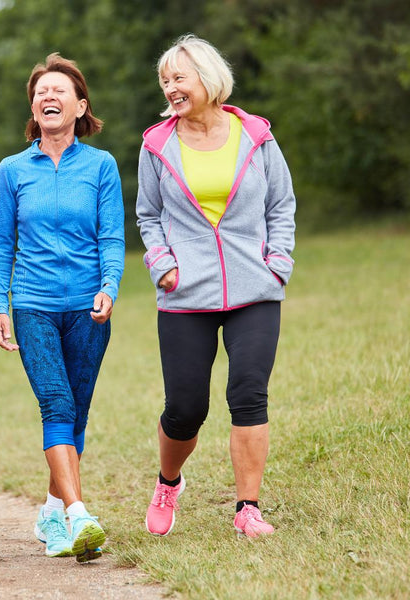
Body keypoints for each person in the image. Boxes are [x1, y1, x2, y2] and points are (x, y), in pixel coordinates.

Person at [136, 34, 296, 539]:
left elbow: (281, 204)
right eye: (165, 81)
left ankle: (247, 507)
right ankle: (168, 482)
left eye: (179, 78)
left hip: (255, 286)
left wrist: (278, 263)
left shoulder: (256, 136)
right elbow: (148, 214)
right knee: (186, 408)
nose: (170, 88)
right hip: (185, 292)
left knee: (249, 394)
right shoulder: (156, 145)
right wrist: (163, 264)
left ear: (207, 78)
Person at [0, 53, 124, 562]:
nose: (48, 96)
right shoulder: (12, 170)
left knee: (77, 412)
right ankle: (79, 514)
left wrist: (110, 285)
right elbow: (1, 244)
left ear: (80, 105)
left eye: (59, 90)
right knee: (56, 404)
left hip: (89, 307)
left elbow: (112, 236)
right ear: (33, 106)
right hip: (34, 304)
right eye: (41, 90)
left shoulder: (101, 165)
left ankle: (51, 510)